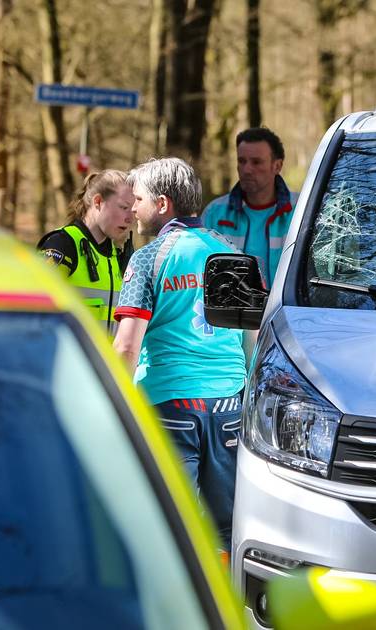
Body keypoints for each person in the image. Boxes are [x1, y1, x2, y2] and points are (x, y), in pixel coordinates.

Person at [113, 157, 246, 550]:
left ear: (163, 204)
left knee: (170, 525)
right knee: (227, 528)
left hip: (169, 403)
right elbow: (250, 335)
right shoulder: (231, 252)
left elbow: (126, 346)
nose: (132, 208)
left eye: (138, 199)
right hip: (228, 405)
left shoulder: (148, 258)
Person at [37, 170, 134, 333]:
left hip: (104, 358)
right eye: (124, 207)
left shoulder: (117, 255)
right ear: (98, 202)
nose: (130, 218)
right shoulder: (62, 244)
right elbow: (36, 311)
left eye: (133, 209)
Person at [202, 127, 297, 288]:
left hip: (287, 311)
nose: (246, 170)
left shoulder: (301, 211)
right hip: (229, 311)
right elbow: (199, 272)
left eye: (256, 162)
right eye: (241, 161)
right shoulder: (214, 213)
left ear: (277, 166)